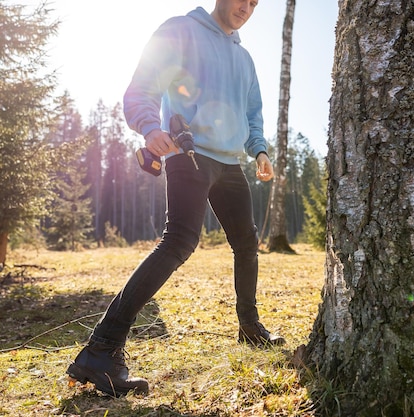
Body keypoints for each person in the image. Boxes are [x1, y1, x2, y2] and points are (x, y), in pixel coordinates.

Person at [66, 0, 284, 397]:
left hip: (231, 163)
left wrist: (260, 150)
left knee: (247, 243)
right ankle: (101, 349)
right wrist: (150, 127)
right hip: (190, 154)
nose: (248, 7)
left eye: (256, 3)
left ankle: (249, 328)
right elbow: (140, 90)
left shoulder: (245, 57)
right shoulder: (181, 30)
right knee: (180, 242)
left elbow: (254, 113)